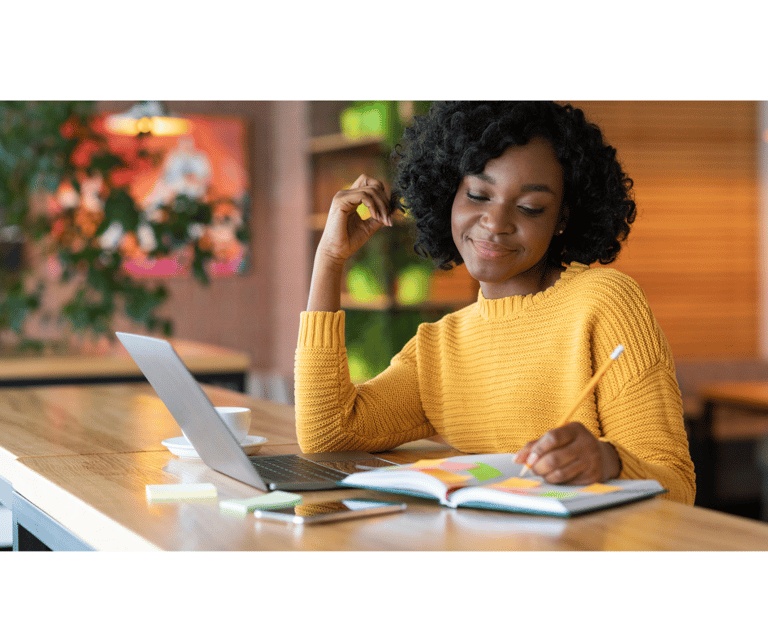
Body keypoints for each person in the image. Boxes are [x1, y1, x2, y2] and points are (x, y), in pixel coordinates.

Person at [294, 101, 695, 505]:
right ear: (449, 193)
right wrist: (329, 260)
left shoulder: (604, 303)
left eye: (529, 207)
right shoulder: (441, 346)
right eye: (479, 195)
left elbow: (676, 485)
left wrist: (608, 461)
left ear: (561, 218)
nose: (496, 222)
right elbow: (327, 432)